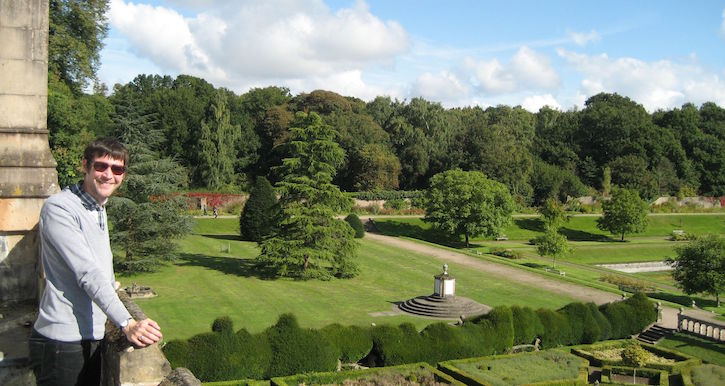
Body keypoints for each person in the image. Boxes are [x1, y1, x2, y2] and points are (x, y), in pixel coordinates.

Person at [29, 138, 163, 385]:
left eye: (117, 169)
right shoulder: (61, 208)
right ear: (85, 166)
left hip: (90, 336)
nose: (108, 175)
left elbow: (97, 263)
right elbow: (87, 272)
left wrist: (110, 283)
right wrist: (127, 323)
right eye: (101, 166)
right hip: (63, 342)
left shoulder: (98, 207)